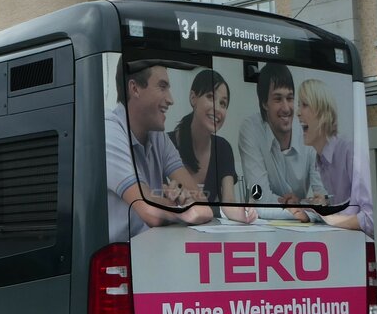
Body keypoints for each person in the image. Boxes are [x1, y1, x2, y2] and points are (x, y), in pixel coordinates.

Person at [107, 59, 213, 242]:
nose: (171, 99)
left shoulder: (158, 137)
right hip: (120, 254)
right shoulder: (109, 130)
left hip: (152, 249)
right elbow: (151, 212)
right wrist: (181, 206)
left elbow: (202, 204)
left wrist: (177, 204)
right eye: (162, 87)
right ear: (134, 89)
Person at [237, 62, 326, 221]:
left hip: (303, 229)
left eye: (290, 98)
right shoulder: (251, 129)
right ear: (264, 103)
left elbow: (324, 201)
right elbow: (260, 200)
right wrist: (300, 209)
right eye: (278, 99)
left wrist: (300, 204)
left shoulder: (309, 130)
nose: (286, 108)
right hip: (262, 228)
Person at [169, 69, 257, 224]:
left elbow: (228, 201)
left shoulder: (223, 148)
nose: (217, 109)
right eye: (210, 97)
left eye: (223, 103)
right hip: (169, 231)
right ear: (193, 98)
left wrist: (242, 213)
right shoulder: (166, 144)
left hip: (207, 231)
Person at [297, 78, 375, 237]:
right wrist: (321, 204)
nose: (297, 112)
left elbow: (372, 219)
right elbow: (347, 205)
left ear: (322, 113)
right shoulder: (321, 160)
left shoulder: (350, 152)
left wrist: (329, 219)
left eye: (304, 105)